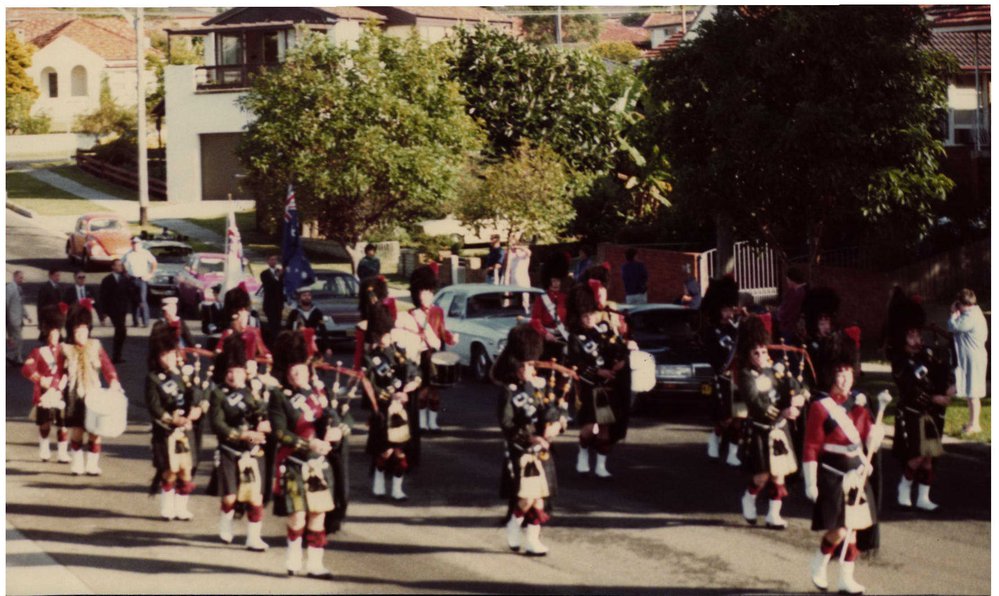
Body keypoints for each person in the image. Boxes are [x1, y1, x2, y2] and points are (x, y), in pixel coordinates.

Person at [802, 337, 884, 595]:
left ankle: (845, 580)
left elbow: (867, 438)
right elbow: (811, 446)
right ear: (830, 374)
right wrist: (810, 481)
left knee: (854, 532)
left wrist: (876, 434)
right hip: (833, 474)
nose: (845, 377)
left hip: (856, 473)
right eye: (839, 372)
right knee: (839, 531)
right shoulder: (820, 407)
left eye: (848, 371)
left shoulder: (860, 405)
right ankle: (819, 562)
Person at [269, 330, 342, 578]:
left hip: (318, 465)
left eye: (301, 370)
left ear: (309, 370)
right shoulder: (279, 397)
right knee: (298, 517)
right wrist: (307, 444)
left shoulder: (319, 395)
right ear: (286, 374)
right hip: (294, 463)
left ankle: (315, 565)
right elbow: (280, 433)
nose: (297, 375)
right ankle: (292, 558)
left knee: (318, 515)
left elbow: (339, 418)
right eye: (293, 372)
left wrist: (338, 431)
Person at [494, 324, 568, 556]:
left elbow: (553, 410)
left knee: (539, 501)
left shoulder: (540, 387)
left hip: (542, 450)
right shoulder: (509, 392)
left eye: (530, 364)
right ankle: (513, 526)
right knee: (526, 499)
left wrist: (557, 423)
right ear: (515, 365)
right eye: (524, 365)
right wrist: (531, 438)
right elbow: (506, 425)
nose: (528, 369)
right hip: (521, 449)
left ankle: (532, 541)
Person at [886, 289, 954, 512]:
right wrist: (935, 398)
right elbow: (909, 388)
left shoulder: (928, 354)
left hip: (932, 412)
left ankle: (924, 496)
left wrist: (949, 387)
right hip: (913, 412)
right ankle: (904, 488)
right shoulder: (900, 362)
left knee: (930, 457)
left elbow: (941, 373)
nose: (917, 339)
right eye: (912, 335)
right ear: (902, 337)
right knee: (916, 455)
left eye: (918, 335)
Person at [736, 316, 805, 529]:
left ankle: (773, 515)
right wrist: (783, 412)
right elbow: (757, 404)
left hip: (779, 430)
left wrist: (797, 400)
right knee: (762, 477)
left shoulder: (776, 369)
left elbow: (795, 386)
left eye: (763, 351)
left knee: (779, 475)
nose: (761, 356)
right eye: (756, 353)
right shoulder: (746, 375)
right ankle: (749, 498)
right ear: (748, 355)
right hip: (760, 431)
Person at [207, 333, 271, 551]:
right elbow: (217, 424)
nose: (234, 376)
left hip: (253, 452)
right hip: (229, 450)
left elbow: (264, 414)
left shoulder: (253, 391)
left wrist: (264, 424)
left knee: (256, 498)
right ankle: (226, 523)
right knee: (230, 497)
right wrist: (243, 435)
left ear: (246, 372)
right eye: (230, 371)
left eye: (238, 371)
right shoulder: (218, 394)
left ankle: (253, 538)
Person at [566, 279, 630, 478]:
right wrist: (596, 371)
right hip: (587, 387)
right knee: (587, 428)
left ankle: (601, 465)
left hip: (607, 386)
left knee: (605, 428)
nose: (589, 319)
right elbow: (576, 363)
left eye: (592, 314)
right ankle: (583, 452)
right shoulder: (575, 337)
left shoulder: (604, 330)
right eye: (585, 315)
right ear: (579, 316)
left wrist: (622, 360)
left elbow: (618, 348)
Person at [146, 321, 208, 521]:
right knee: (169, 471)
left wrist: (198, 408)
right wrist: (173, 419)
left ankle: (181, 508)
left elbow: (198, 394)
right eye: (164, 355)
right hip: (166, 430)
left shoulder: (184, 374)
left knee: (186, 471)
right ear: (157, 357)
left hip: (187, 429)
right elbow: (154, 407)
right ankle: (167, 507)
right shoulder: (153, 378)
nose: (168, 358)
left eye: (171, 354)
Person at [364, 306, 422, 501]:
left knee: (400, 451)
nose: (384, 338)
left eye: (386, 334)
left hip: (401, 410)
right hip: (384, 409)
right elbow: (370, 387)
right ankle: (378, 481)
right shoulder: (371, 358)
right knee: (386, 451)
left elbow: (415, 372)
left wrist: (413, 384)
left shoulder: (400, 352)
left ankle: (398, 489)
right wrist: (391, 396)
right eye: (380, 335)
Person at [62, 302, 121, 476]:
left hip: (94, 394)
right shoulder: (65, 349)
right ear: (72, 332)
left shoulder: (96, 346)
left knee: (96, 431)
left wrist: (113, 380)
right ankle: (78, 463)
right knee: (78, 431)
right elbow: (58, 372)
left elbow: (107, 366)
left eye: (85, 329)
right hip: (74, 394)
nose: (82, 334)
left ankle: (92, 465)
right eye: (78, 330)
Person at [397, 265, 457, 432]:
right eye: (423, 292)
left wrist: (451, 339)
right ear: (417, 294)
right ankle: (422, 422)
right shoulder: (411, 313)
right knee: (422, 391)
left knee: (435, 391)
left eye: (430, 292)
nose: (427, 296)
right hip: (420, 355)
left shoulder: (438, 312)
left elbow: (442, 331)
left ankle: (433, 422)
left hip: (435, 354)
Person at [701, 276, 744, 465]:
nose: (728, 313)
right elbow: (713, 356)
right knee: (725, 419)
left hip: (739, 379)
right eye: (725, 309)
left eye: (730, 309)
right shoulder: (710, 332)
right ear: (717, 310)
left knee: (740, 418)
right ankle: (715, 436)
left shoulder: (737, 329)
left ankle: (733, 454)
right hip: (722, 379)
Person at [21, 304, 70, 463]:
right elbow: (27, 368)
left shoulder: (65, 350)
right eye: (51, 332)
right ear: (46, 333)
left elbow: (70, 368)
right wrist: (40, 379)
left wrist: (64, 382)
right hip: (44, 393)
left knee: (62, 424)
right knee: (45, 424)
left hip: (61, 391)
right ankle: (44, 449)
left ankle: (62, 453)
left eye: (56, 332)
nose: (54, 335)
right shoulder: (38, 351)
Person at [947, 289, 989, 435]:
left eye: (958, 303)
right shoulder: (970, 314)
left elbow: (953, 327)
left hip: (974, 358)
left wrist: (953, 314)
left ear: (961, 303)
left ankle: (975, 424)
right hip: (971, 357)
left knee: (973, 393)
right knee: (970, 392)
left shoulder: (971, 316)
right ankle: (972, 422)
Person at [529, 253, 570, 362]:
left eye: (558, 280)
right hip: (546, 337)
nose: (556, 283)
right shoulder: (541, 299)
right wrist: (545, 333)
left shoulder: (565, 298)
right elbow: (535, 320)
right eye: (553, 281)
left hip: (562, 335)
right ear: (548, 281)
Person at [97, 259, 131, 363]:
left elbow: (129, 293)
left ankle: (117, 355)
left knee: (121, 332)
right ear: (112, 267)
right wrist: (103, 313)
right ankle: (116, 356)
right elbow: (102, 297)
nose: (120, 267)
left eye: (121, 265)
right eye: (118, 265)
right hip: (112, 309)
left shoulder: (124, 279)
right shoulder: (107, 280)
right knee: (121, 329)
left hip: (122, 309)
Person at [122, 237, 158, 327]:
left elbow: (154, 263)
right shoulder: (128, 254)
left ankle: (145, 322)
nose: (135, 245)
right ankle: (135, 322)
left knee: (142, 300)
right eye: (133, 243)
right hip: (132, 279)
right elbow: (121, 263)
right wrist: (125, 272)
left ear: (140, 244)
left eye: (137, 243)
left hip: (142, 279)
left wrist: (150, 274)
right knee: (134, 301)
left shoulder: (145, 253)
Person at [287, 288, 328, 354]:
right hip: (299, 343)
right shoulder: (294, 312)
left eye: (309, 295)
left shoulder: (317, 312)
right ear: (299, 298)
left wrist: (327, 347)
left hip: (314, 342)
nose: (307, 297)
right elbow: (288, 329)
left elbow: (323, 329)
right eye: (304, 295)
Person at [776, 267, 808, 346]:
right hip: (790, 325)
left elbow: (790, 310)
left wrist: (779, 315)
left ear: (791, 280)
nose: (787, 282)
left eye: (787, 280)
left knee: (787, 348)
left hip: (790, 326)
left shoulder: (798, 293)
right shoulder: (796, 291)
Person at [7, 270, 31, 366]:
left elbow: (21, 305)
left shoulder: (19, 289)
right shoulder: (10, 288)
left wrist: (27, 315)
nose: (22, 279)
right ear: (14, 277)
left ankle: (14, 356)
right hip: (12, 318)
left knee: (16, 339)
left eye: (22, 278)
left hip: (18, 319)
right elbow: (5, 303)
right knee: (19, 339)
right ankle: (16, 357)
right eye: (20, 277)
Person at [260, 255, 285, 343]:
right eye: (271, 260)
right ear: (268, 261)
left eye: (275, 260)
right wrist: (277, 277)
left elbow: (282, 286)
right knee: (272, 324)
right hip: (269, 303)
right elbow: (269, 286)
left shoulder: (281, 272)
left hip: (278, 303)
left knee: (278, 324)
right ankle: (272, 342)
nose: (273, 261)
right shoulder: (264, 273)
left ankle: (277, 341)